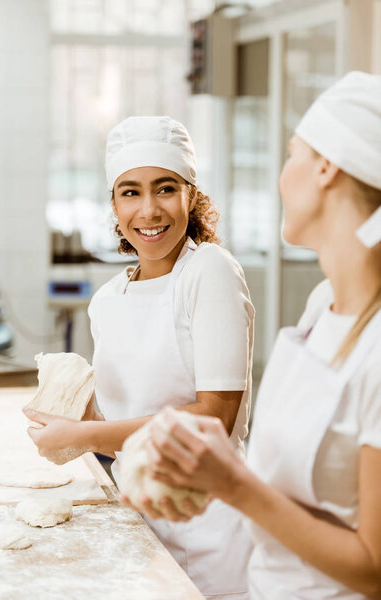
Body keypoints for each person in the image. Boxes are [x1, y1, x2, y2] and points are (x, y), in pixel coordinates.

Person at [135, 72, 381, 599]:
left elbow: (375, 568)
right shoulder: (322, 308)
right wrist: (200, 477)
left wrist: (233, 484)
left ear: (326, 168)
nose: (281, 174)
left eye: (292, 153)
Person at [25, 116, 255, 599]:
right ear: (113, 203)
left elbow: (213, 419)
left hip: (208, 527)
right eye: (130, 192)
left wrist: (87, 434)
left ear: (191, 195)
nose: (148, 210)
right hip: (137, 519)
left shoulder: (209, 271)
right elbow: (130, 427)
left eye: (165, 188)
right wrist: (82, 421)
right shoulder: (108, 298)